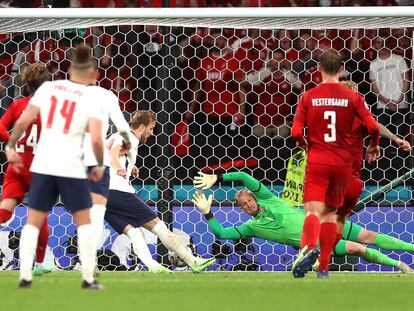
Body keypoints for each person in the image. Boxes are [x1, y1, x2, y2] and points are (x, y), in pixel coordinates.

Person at [6, 46, 105, 289]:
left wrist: (10, 144)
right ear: (92, 73)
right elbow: (95, 138)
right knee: (84, 221)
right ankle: (88, 279)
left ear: (69, 69)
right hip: (70, 165)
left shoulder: (49, 89)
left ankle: (26, 276)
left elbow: (23, 120)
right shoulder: (89, 98)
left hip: (43, 163)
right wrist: (99, 165)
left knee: (33, 221)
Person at [192, 171, 414, 273]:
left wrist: (218, 178)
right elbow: (222, 233)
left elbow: (243, 177)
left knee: (370, 236)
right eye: (243, 204)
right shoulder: (251, 227)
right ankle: (400, 266)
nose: (247, 204)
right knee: (359, 248)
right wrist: (207, 212)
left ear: (254, 197)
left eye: (249, 199)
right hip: (318, 242)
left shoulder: (270, 198)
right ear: (241, 209)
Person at [291, 49, 380, 278]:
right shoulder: (353, 97)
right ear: (341, 70)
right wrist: (374, 145)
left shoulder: (309, 96)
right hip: (342, 165)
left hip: (318, 160)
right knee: (331, 215)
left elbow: (295, 132)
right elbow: (372, 127)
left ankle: (307, 249)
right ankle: (323, 267)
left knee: (312, 212)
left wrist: (303, 144)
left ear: (319, 69)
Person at [105, 110, 215, 272]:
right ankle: (192, 261)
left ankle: (152, 266)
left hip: (100, 195)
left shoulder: (119, 137)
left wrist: (130, 165)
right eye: (151, 128)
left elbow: (108, 154)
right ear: (141, 127)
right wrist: (119, 167)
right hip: (117, 191)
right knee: (160, 227)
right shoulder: (128, 138)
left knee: (134, 232)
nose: (151, 133)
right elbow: (114, 152)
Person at [0, 63, 52, 276]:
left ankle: (38, 264)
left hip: (16, 166)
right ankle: (39, 264)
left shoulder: (18, 105)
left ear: (27, 85)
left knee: (4, 212)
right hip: (39, 169)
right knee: (40, 218)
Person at [82, 83, 132, 255]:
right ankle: (88, 258)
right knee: (97, 210)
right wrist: (127, 142)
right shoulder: (106, 95)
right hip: (96, 157)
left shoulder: (66, 93)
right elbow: (123, 127)